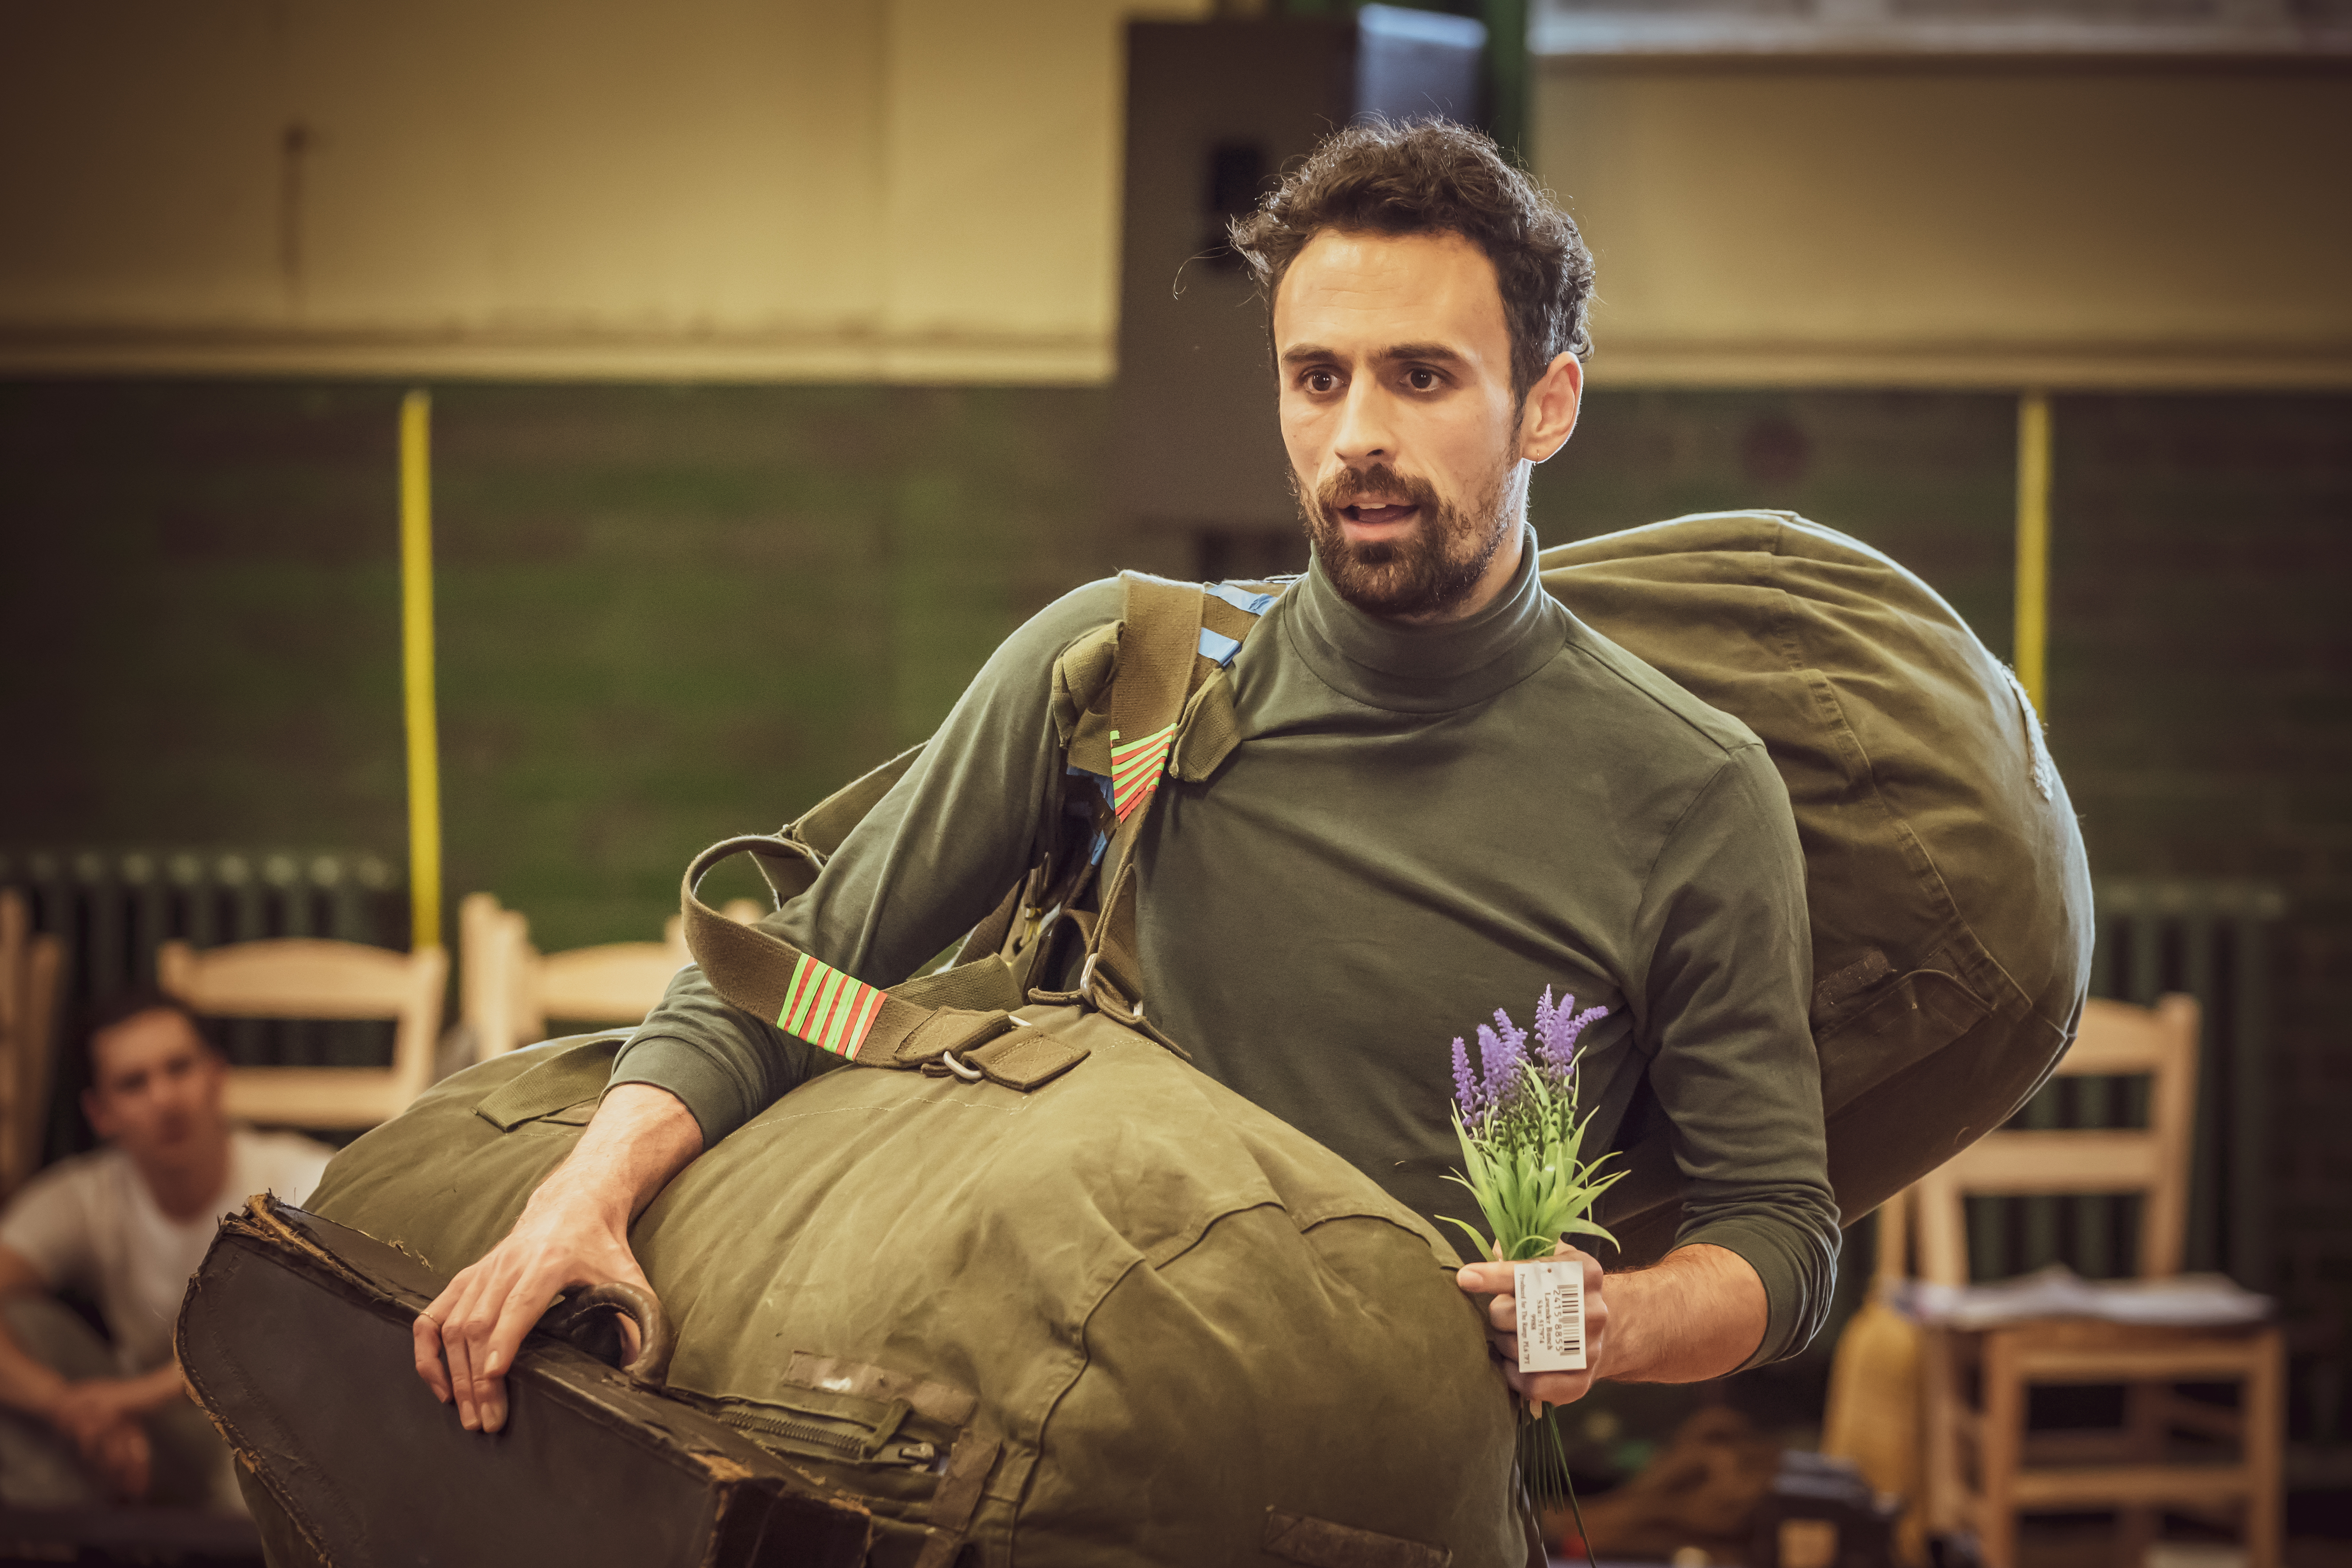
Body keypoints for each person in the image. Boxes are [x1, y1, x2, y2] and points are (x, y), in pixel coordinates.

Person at [415, 118, 1841, 1437]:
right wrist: (573, 1206)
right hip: (1048, 1458)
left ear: (1547, 405)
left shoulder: (1689, 792)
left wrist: (1615, 1317)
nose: (1355, 435)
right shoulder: (1124, 667)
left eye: (1421, 377)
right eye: (1314, 376)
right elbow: (792, 973)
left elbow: (1779, 1234)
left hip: (1400, 1474)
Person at [0, 994, 331, 1509]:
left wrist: (125, 1399)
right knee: (22, 1322)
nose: (165, 1099)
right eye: (134, 1084)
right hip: (142, 1440)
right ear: (100, 1112)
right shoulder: (85, 1197)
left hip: (266, 1433)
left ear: (217, 1076)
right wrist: (67, 1408)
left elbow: (295, 1334)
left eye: (180, 1069)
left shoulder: (298, 1178)